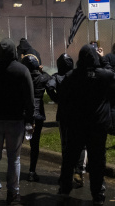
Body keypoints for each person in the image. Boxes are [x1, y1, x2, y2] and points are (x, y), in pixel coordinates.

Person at [0, 38, 34, 205]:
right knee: (14, 158)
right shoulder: (22, 70)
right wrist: (30, 120)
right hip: (16, 120)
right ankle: (13, 192)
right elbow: (30, 99)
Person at [59, 44, 115, 205]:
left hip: (77, 124)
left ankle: (65, 189)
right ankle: (98, 194)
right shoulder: (104, 76)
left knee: (70, 158)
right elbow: (112, 74)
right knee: (98, 161)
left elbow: (64, 98)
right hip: (98, 125)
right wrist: (102, 59)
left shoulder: (72, 76)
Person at [46, 53, 87, 187]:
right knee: (80, 143)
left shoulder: (57, 77)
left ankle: (67, 174)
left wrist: (57, 99)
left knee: (66, 143)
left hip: (63, 114)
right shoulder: (77, 75)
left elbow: (49, 86)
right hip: (79, 113)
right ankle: (78, 170)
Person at [21, 54, 52, 182]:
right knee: (35, 144)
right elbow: (49, 77)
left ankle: (14, 169)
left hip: (23, 113)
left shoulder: (22, 78)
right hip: (37, 113)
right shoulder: (43, 78)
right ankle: (32, 171)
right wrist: (41, 71)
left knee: (17, 142)